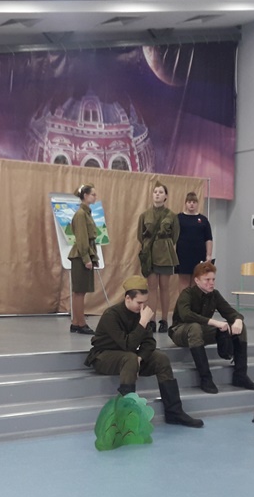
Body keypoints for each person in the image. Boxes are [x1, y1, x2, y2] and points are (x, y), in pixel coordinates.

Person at [84, 275, 204, 428]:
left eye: (144, 302)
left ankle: (174, 412)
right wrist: (142, 323)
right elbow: (127, 345)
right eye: (139, 302)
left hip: (130, 357)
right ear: (128, 298)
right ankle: (126, 416)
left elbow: (149, 343)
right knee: (129, 358)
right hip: (104, 356)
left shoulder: (140, 314)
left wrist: (140, 358)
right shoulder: (111, 315)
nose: (142, 307)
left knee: (161, 358)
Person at [170, 262, 254, 393]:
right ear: (197, 280)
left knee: (240, 327)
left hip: (202, 331)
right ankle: (205, 378)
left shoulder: (214, 294)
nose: (211, 283)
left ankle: (240, 375)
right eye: (207, 280)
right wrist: (214, 322)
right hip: (180, 331)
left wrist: (238, 320)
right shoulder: (187, 293)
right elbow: (186, 315)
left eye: (213, 279)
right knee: (195, 328)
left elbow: (230, 312)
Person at [137, 182, 179, 334]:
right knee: (152, 288)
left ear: (166, 196)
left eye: (161, 192)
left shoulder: (171, 215)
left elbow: (175, 236)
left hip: (166, 255)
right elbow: (140, 236)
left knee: (165, 288)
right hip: (150, 255)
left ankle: (164, 320)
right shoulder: (144, 215)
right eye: (155, 192)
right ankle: (152, 320)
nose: (157, 194)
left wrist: (163, 244)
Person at [68, 183, 99, 335]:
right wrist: (86, 258)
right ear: (85, 196)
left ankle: (76, 323)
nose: (95, 197)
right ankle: (81, 324)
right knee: (79, 292)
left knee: (80, 292)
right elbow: (81, 239)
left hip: (82, 255)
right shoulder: (81, 214)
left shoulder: (86, 213)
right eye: (93, 194)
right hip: (81, 256)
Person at [175, 192, 213, 293]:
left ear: (197, 204)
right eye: (189, 202)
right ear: (185, 203)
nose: (191, 204)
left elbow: (208, 238)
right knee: (183, 283)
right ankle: (184, 302)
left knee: (196, 282)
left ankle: (194, 303)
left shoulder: (203, 220)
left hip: (199, 255)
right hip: (183, 255)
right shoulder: (179, 218)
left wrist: (209, 255)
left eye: (194, 202)